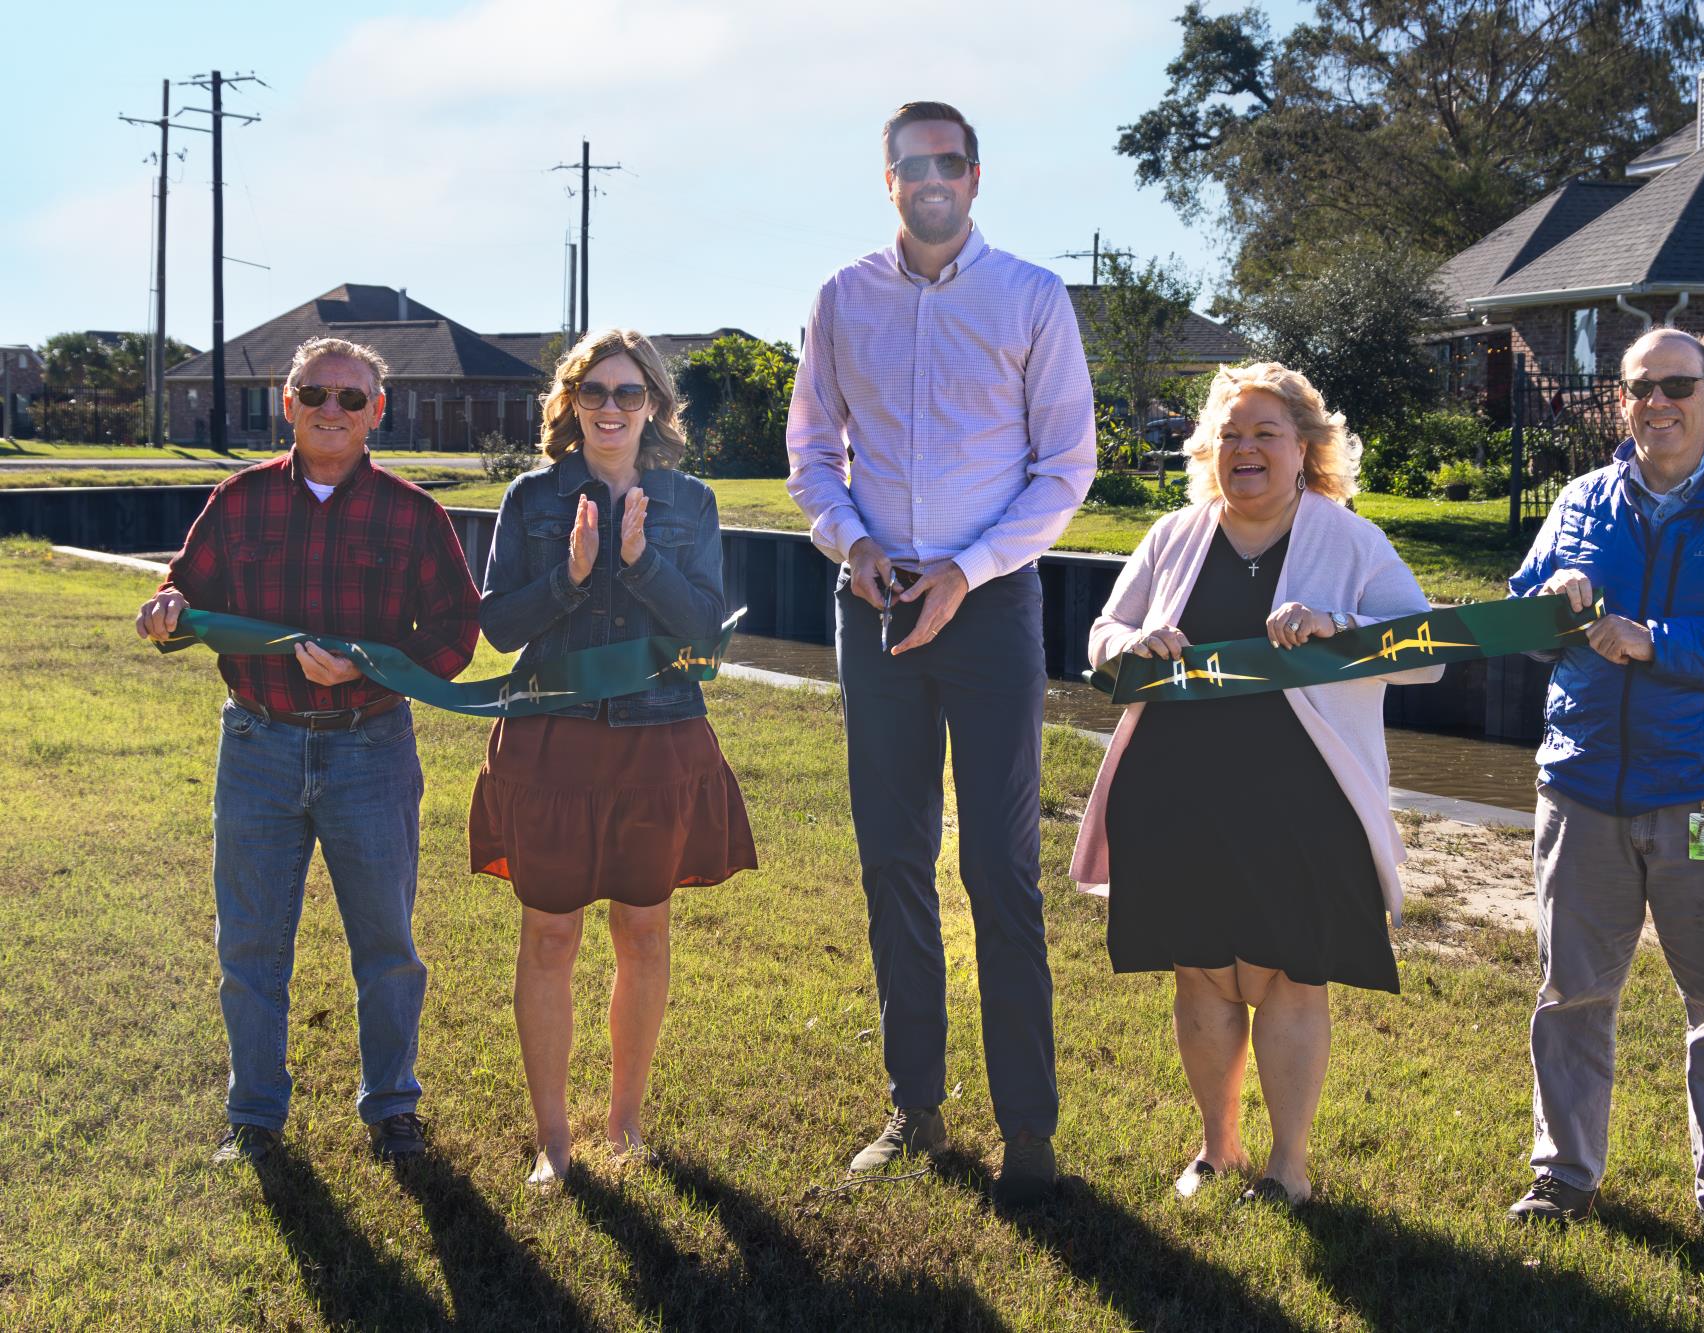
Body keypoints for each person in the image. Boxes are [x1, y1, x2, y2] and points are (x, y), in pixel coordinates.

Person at [785, 100, 1096, 1203]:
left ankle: (1029, 1134)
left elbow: (1064, 469)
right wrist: (854, 542)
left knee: (998, 870)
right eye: (910, 162)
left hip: (991, 602)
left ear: (975, 175)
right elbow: (811, 453)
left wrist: (966, 569)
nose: (930, 177)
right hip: (873, 600)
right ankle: (914, 1108)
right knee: (891, 860)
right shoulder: (841, 297)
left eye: (948, 161)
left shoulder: (1030, 297)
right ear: (887, 178)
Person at [1069, 362, 1442, 1206]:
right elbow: (1103, 634)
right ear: (1209, 448)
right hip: (1178, 789)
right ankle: (1217, 1149)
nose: (1245, 449)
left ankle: (1290, 1168)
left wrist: (1335, 628)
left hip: (1302, 800)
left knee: (1288, 975)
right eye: (1231, 434)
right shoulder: (1173, 533)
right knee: (1199, 970)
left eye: (1266, 433)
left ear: (1305, 448)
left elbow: (1422, 655)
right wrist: (1134, 642)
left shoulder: (1350, 540)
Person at [1503, 328, 1704, 1267]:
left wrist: (1658, 640)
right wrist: (1549, 599)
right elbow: (1521, 618)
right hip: (1582, 793)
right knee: (1570, 994)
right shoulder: (1578, 502)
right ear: (1619, 405)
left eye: (1678, 385)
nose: (1660, 403)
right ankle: (1563, 1176)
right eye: (1641, 389)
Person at [134, 336, 480, 1166]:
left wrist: (376, 665)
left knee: (386, 944)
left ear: (377, 414)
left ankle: (394, 1108)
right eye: (315, 393)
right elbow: (184, 590)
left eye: (351, 398)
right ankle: (253, 1116)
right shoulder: (239, 499)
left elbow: (456, 632)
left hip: (371, 748)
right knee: (250, 942)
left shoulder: (414, 514)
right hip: (257, 744)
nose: (333, 409)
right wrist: (166, 606)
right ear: (286, 404)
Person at [471, 327, 756, 1188]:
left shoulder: (690, 504)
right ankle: (553, 1139)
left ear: (656, 407)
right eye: (593, 392)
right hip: (550, 741)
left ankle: (625, 1123)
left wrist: (636, 562)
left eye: (629, 393)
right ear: (569, 405)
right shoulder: (530, 499)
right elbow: (498, 625)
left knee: (643, 927)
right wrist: (568, 574)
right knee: (551, 934)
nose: (610, 408)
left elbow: (704, 625)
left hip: (658, 738)